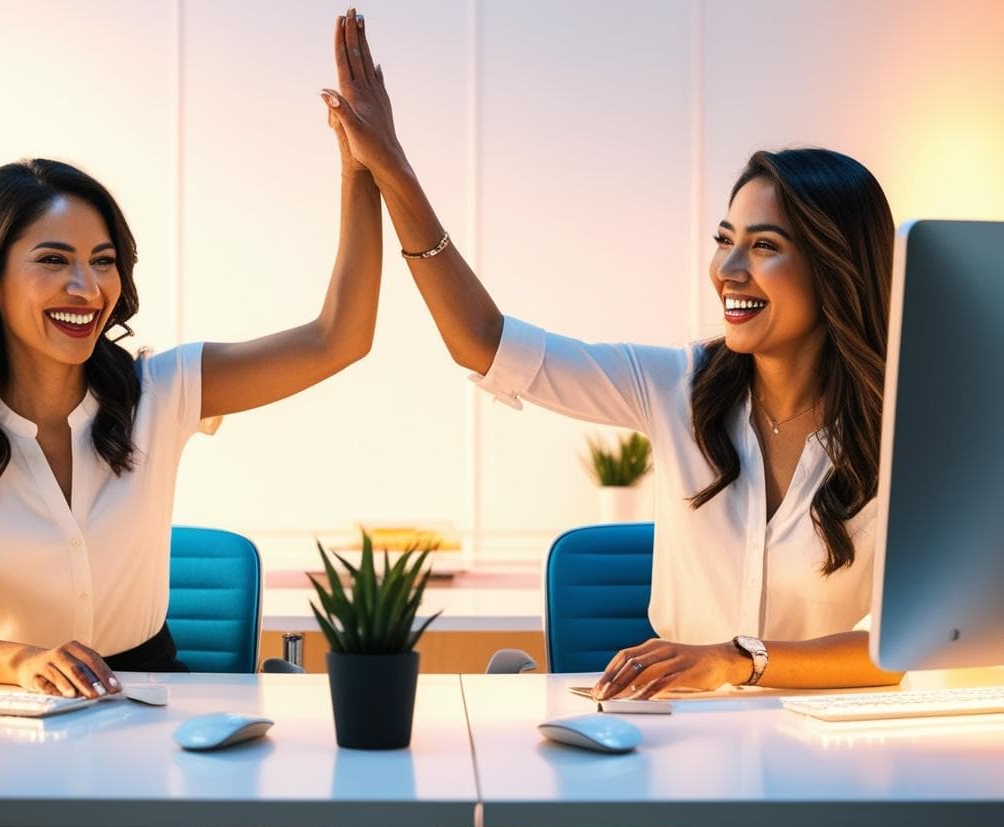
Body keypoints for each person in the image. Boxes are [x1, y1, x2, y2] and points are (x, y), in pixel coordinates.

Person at [321, 8, 904, 699]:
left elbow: (902, 649)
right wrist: (390, 168)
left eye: (765, 245)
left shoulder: (899, 429)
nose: (729, 269)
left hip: (832, 752)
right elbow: (483, 342)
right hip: (683, 740)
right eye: (725, 239)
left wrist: (736, 659)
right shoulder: (677, 384)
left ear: (835, 269)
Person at [0, 100, 382, 699]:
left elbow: (340, 338)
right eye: (53, 261)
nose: (87, 288)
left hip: (149, 692)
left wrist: (360, 169)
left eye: (103, 262)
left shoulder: (161, 389)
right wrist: (23, 662)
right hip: (8, 701)